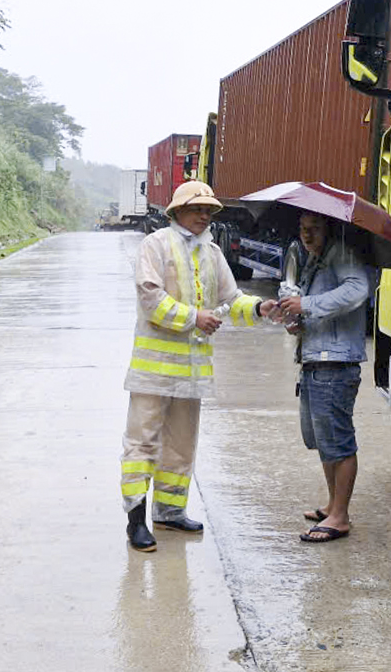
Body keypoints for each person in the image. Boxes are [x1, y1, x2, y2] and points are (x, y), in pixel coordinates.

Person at [121, 180, 277, 552]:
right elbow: (151, 299)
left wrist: (258, 308)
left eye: (208, 210)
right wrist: (195, 318)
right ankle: (136, 520)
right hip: (154, 369)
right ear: (177, 212)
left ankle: (170, 513)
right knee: (142, 443)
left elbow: (231, 298)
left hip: (191, 373)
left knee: (181, 445)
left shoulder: (212, 251)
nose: (204, 215)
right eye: (197, 209)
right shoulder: (155, 245)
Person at [274, 211, 372, 543]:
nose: (307, 235)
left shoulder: (341, 253)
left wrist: (307, 304)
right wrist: (296, 320)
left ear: (329, 228)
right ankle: (333, 505)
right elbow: (312, 311)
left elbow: (359, 289)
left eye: (314, 229)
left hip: (336, 363)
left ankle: (340, 516)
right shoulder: (315, 260)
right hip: (317, 360)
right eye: (303, 229)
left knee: (339, 441)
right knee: (323, 440)